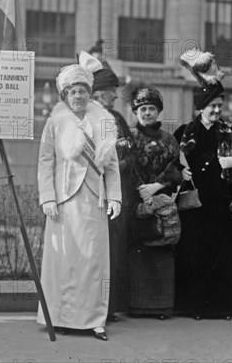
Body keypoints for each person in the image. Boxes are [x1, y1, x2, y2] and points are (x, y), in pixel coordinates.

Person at [37, 64, 121, 341]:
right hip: (63, 200)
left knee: (94, 263)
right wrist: (48, 197)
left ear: (90, 93)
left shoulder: (104, 121)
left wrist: (115, 197)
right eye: (72, 91)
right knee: (64, 262)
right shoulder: (55, 121)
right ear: (65, 95)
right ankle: (61, 317)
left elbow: (111, 166)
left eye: (83, 90)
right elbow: (45, 162)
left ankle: (95, 320)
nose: (78, 96)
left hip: (94, 200)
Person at [175, 51, 232, 320]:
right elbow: (173, 165)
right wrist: (182, 171)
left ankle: (220, 307)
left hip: (220, 201)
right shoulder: (185, 133)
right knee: (194, 253)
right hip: (194, 203)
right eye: (211, 106)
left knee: (220, 254)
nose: (217, 110)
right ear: (200, 108)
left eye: (219, 105)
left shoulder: (229, 133)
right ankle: (195, 306)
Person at [78, 51, 132, 322]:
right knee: (93, 254)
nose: (115, 96)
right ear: (98, 94)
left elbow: (129, 152)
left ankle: (109, 308)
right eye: (111, 92)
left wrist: (122, 158)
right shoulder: (85, 119)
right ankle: (91, 307)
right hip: (92, 195)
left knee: (113, 253)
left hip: (114, 196)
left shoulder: (118, 120)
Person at [124, 83, 182, 320]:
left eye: (151, 108)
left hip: (163, 200)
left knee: (162, 248)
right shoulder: (130, 138)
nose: (147, 113)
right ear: (135, 113)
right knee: (140, 249)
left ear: (159, 111)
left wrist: (158, 186)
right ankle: (138, 305)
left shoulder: (169, 139)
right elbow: (127, 166)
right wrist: (142, 190)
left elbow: (177, 167)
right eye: (142, 109)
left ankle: (161, 305)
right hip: (137, 202)